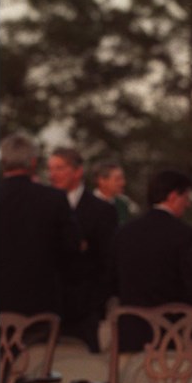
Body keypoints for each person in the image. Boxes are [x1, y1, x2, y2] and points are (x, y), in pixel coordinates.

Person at [109, 169, 192, 352]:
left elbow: (112, 279)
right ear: (173, 196)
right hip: (171, 336)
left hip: (130, 334)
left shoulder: (124, 233)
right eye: (186, 197)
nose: (188, 204)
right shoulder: (186, 235)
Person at [0, 133, 81, 318]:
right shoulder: (54, 199)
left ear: (3, 161)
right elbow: (71, 248)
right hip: (41, 307)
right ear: (33, 163)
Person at [48, 147, 118, 351]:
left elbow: (107, 260)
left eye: (60, 168)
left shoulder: (102, 210)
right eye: (51, 169)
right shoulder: (44, 205)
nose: (53, 174)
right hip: (49, 305)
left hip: (85, 307)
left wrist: (96, 302)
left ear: (77, 171)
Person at [92, 160, 136, 225]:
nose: (123, 183)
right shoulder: (89, 205)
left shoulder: (124, 203)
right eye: (117, 179)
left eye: (122, 179)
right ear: (102, 181)